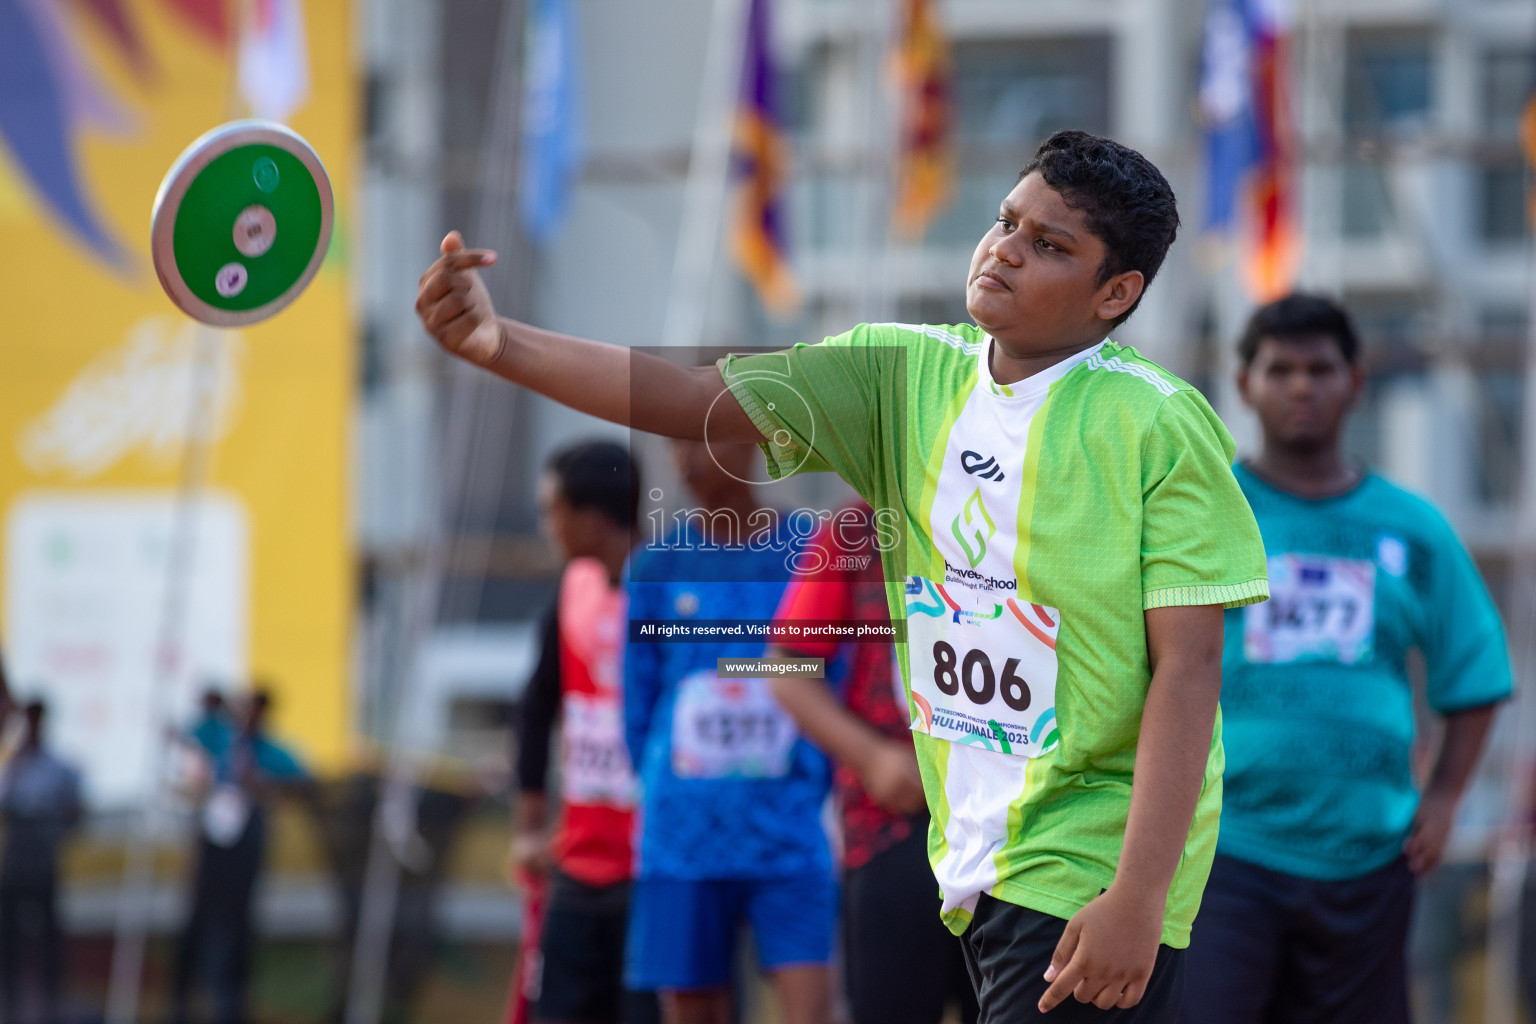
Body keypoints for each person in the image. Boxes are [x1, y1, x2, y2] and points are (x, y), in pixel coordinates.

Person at [416, 128, 1270, 1021]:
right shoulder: (901, 375)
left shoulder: (1158, 425)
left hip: (1091, 861)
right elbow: (697, 398)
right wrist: (496, 341)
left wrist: (1139, 896)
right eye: (1006, 221)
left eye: (1050, 246)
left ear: (1117, 292)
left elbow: (1190, 668)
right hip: (971, 854)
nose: (1005, 251)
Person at [1179, 294, 1513, 1024]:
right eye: (1281, 369)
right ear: (1244, 385)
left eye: (1321, 369)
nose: (1303, 386)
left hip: (1371, 859)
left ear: (1354, 383)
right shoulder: (1206, 511)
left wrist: (1448, 795)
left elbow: (1477, 671)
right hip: (1223, 853)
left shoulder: (1413, 527)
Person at [623, 438, 835, 1024]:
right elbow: (637, 702)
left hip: (788, 829)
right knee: (692, 1006)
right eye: (675, 448)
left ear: (749, 446)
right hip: (681, 838)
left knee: (810, 1004)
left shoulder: (807, 552)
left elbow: (830, 671)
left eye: (701, 443)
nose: (686, 462)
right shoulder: (657, 564)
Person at [768, 502, 978, 1024]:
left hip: (1021, 830)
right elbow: (780, 666)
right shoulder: (858, 529)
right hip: (892, 824)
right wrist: (872, 757)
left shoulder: (1038, 503)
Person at [512, 441, 656, 1024]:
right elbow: (535, 703)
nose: (548, 525)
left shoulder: (672, 587)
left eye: (554, 510)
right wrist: (529, 827)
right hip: (576, 869)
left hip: (653, 870)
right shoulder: (573, 591)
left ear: (593, 519)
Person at [172, 690, 308, 1024]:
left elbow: (303, 780)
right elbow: (187, 746)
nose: (250, 718)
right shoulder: (218, 745)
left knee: (234, 940)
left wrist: (266, 788)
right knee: (197, 935)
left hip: (244, 861)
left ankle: (230, 1010)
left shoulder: (273, 754)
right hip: (211, 858)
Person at [0, 700, 82, 1024]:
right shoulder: (10, 766)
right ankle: (10, 1008)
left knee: (48, 942)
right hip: (13, 865)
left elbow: (74, 812)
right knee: (9, 941)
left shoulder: (60, 768)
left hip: (43, 862)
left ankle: (51, 1009)